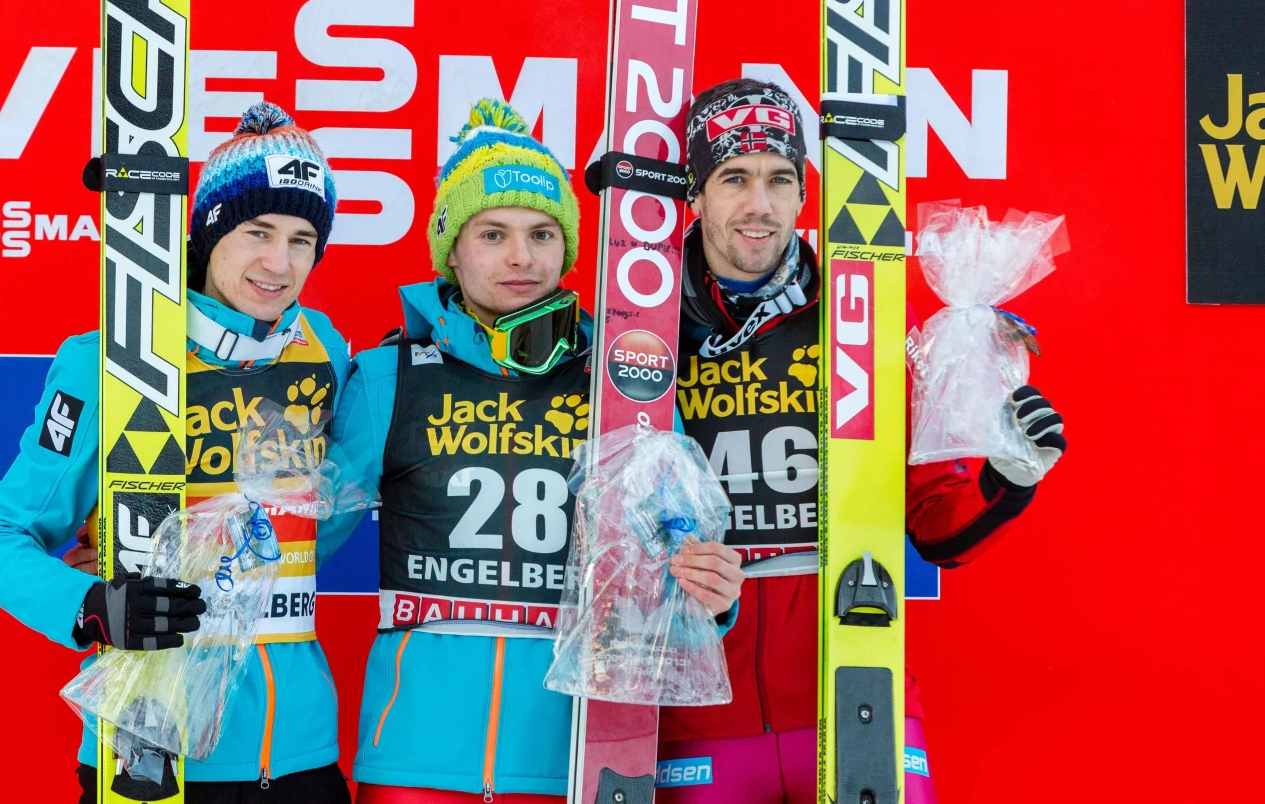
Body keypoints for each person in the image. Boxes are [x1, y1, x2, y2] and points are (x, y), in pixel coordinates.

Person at [656, 79, 1069, 804]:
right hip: (699, 716)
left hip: (855, 689)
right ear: (696, 193)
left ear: (803, 192)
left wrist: (1008, 477)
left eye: (781, 179)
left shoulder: (862, 319)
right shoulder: (644, 333)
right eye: (734, 179)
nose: (760, 204)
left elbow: (936, 522)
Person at [334, 99, 745, 803]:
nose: (521, 257)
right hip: (411, 763)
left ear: (569, 248)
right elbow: (294, 536)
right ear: (450, 246)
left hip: (574, 760)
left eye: (543, 233)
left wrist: (711, 590)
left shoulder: (624, 381)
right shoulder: (384, 378)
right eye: (492, 233)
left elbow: (681, 563)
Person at [0, 103, 358, 802]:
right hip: (153, 752)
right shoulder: (112, 361)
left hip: (301, 755)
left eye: (302, 239)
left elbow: (312, 523)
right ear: (207, 236)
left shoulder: (324, 352)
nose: (279, 262)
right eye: (256, 231)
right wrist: (91, 601)